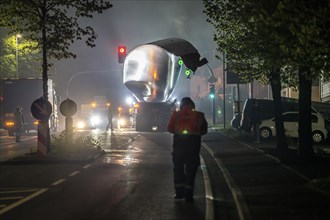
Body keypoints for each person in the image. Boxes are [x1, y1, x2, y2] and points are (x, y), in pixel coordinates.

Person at [167, 97, 208, 203]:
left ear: (181, 106)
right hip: (193, 148)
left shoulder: (176, 115)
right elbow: (204, 130)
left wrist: (180, 131)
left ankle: (179, 193)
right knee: (191, 171)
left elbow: (170, 129)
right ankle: (188, 195)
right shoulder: (199, 115)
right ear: (193, 106)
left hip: (178, 148)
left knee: (178, 170)